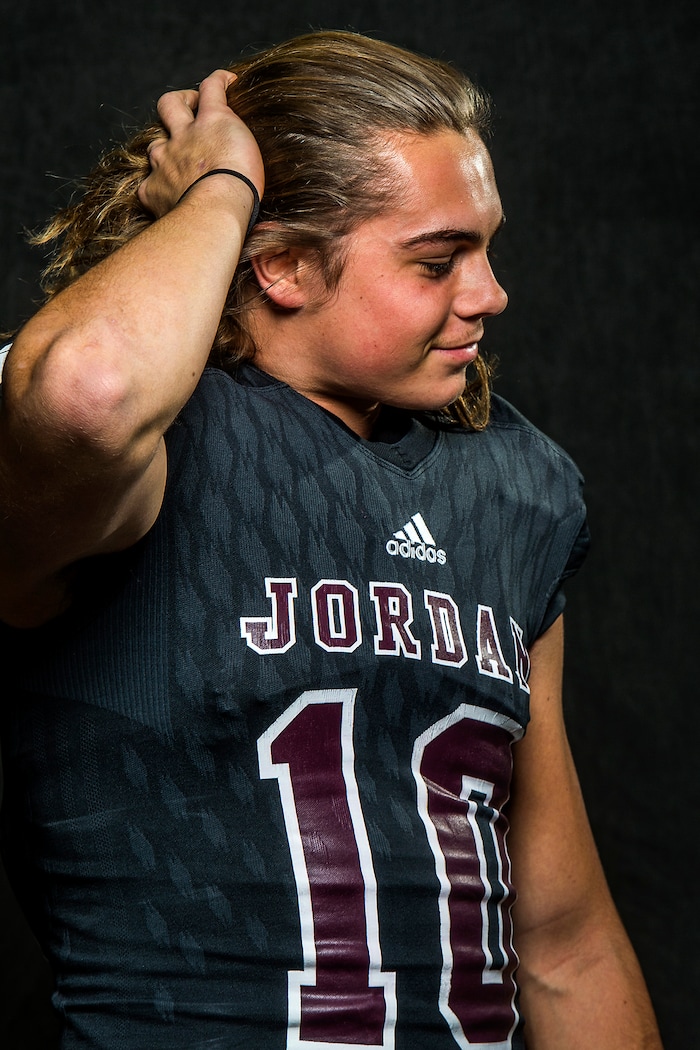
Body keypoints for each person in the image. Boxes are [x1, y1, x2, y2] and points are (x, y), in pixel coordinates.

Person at [0, 30, 662, 1050]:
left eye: (487, 250)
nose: (489, 295)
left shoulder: (513, 490)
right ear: (281, 267)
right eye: (437, 260)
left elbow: (564, 938)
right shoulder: (137, 459)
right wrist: (222, 186)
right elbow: (86, 394)